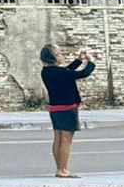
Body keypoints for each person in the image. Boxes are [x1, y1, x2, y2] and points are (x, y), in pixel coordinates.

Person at [40, 44, 96, 177]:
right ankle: (63, 169)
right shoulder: (61, 73)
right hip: (68, 108)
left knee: (58, 138)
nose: (62, 56)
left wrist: (78, 60)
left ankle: (59, 167)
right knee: (66, 140)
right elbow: (83, 73)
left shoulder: (46, 72)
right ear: (54, 58)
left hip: (55, 108)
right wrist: (90, 61)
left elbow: (66, 71)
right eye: (59, 54)